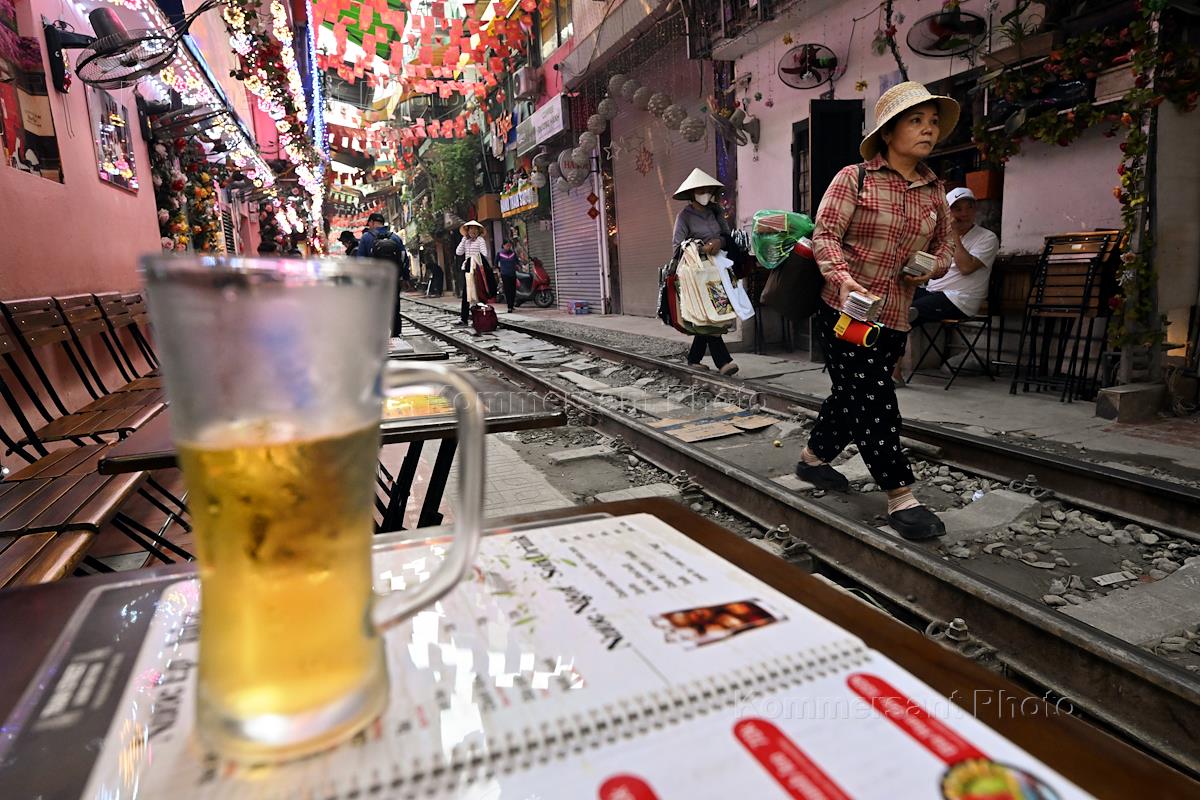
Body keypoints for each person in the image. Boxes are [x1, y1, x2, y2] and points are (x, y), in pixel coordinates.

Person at [799, 81, 959, 541]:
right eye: (916, 121)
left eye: (933, 122)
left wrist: (930, 266)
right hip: (845, 311)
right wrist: (841, 276)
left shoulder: (934, 190)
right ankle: (901, 495)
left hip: (895, 314)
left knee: (852, 391)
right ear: (888, 132)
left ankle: (812, 459)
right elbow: (826, 234)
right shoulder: (856, 178)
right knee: (873, 396)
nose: (928, 130)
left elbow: (946, 246)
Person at [671, 168, 739, 376]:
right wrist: (702, 248)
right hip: (697, 272)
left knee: (711, 312)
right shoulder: (684, 217)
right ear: (692, 193)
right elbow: (677, 246)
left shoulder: (716, 212)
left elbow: (727, 236)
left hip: (717, 269)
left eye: (708, 190)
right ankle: (724, 361)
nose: (705, 194)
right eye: (701, 190)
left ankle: (694, 359)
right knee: (709, 313)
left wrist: (719, 242)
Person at [910, 186, 999, 325]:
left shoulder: (988, 237)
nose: (965, 214)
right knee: (893, 301)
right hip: (932, 292)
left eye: (970, 208)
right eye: (958, 209)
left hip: (960, 300)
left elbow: (966, 267)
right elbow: (922, 264)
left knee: (908, 312)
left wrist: (954, 234)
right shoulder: (939, 236)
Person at [358, 212, 410, 285]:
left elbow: (361, 260)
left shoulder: (366, 237)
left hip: (373, 281)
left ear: (371, 222)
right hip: (393, 280)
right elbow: (403, 258)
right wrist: (405, 277)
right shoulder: (395, 237)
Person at [455, 220, 491, 325]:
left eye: (475, 229)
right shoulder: (466, 241)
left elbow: (484, 254)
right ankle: (464, 318)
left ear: (478, 231)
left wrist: (474, 259)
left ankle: (480, 318)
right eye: (470, 229)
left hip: (477, 270)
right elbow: (458, 252)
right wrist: (463, 240)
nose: (472, 231)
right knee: (466, 294)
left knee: (478, 294)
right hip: (467, 269)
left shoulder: (480, 240)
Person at [496, 240, 520, 313]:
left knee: (513, 290)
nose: (508, 247)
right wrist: (499, 270)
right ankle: (509, 307)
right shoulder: (500, 254)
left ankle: (512, 305)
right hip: (504, 274)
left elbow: (517, 262)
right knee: (507, 290)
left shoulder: (513, 253)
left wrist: (519, 266)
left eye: (509, 246)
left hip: (513, 274)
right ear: (503, 246)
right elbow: (495, 263)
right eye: (507, 245)